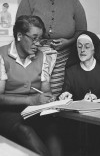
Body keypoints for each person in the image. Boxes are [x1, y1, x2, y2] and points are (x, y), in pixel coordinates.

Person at [16, 0, 87, 96]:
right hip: (34, 54)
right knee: (35, 90)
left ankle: (54, 117)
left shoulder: (72, 0)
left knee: (58, 92)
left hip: (64, 56)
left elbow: (81, 30)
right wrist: (35, 43)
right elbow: (20, 28)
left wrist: (69, 42)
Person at [0, 15, 62, 156]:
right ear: (20, 36)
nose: (38, 43)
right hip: (6, 113)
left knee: (53, 130)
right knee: (24, 131)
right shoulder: (2, 55)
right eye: (34, 38)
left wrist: (49, 98)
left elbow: (45, 89)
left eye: (40, 39)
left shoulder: (43, 56)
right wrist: (30, 100)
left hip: (32, 111)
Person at [59, 31, 100, 101]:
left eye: (87, 47)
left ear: (94, 49)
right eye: (79, 47)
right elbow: (66, 92)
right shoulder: (71, 71)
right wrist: (65, 96)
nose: (82, 50)